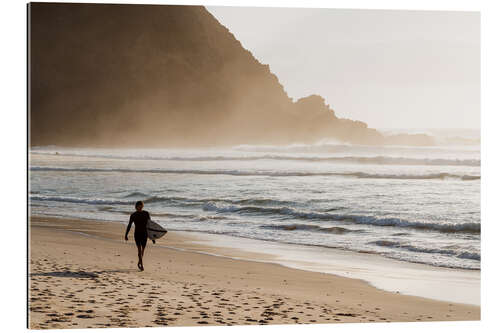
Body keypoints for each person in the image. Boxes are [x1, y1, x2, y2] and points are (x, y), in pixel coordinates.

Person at [125, 201, 153, 271]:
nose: (140, 208)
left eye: (141, 206)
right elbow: (129, 225)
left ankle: (139, 262)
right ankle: (142, 265)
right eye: (138, 207)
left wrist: (152, 237)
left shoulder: (146, 213)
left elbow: (150, 225)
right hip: (137, 234)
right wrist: (126, 234)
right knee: (139, 250)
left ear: (142, 206)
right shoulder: (133, 215)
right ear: (136, 207)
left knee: (143, 250)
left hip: (145, 234)